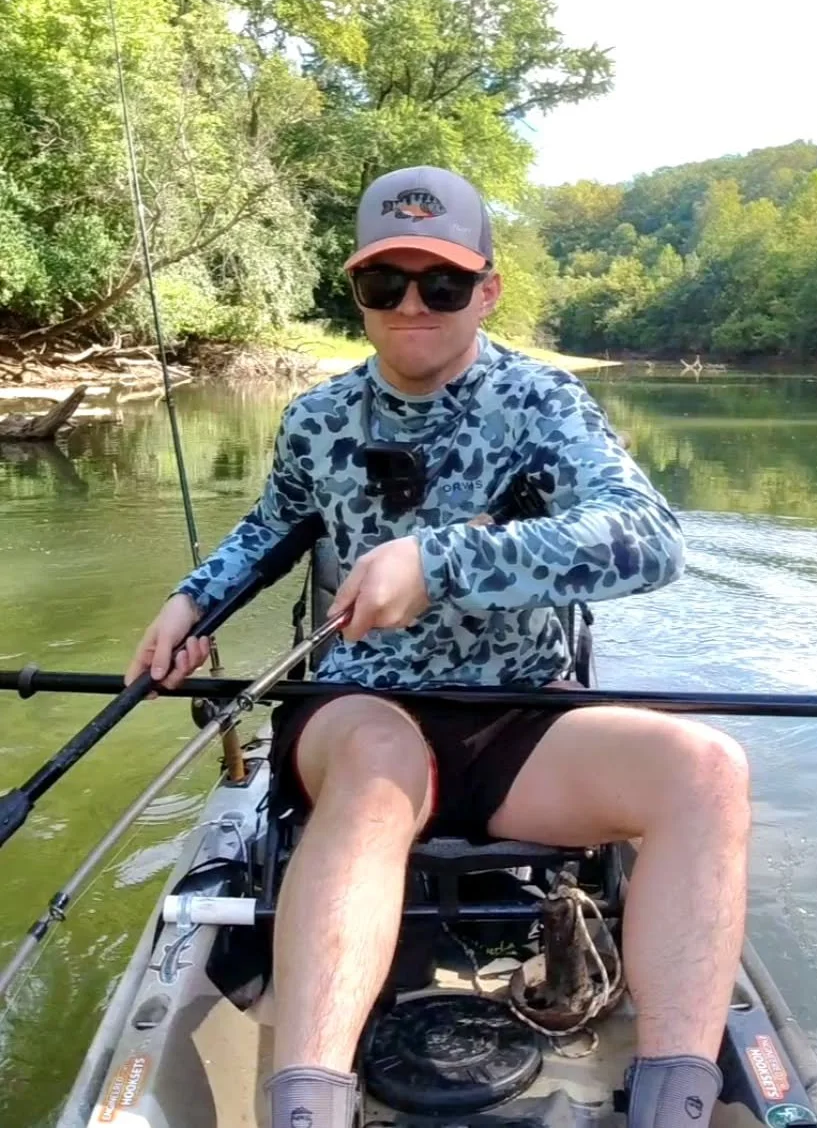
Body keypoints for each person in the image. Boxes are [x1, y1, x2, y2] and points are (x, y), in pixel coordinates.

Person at [124, 166, 751, 1128]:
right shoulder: (317, 420)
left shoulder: (544, 402)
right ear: (359, 292)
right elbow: (270, 531)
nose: (412, 304)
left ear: (487, 290)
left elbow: (649, 539)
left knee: (707, 769)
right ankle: (308, 1105)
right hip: (359, 714)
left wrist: (441, 560)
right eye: (386, 283)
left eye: (443, 283)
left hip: (519, 720)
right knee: (381, 763)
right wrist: (191, 603)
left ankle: (677, 1104)